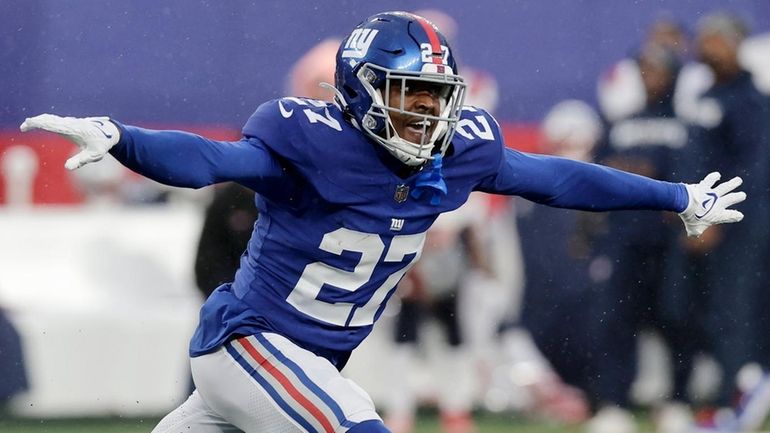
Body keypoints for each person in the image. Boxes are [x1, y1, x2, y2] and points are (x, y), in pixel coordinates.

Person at [20, 11, 745, 433]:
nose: (427, 113)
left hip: (287, 367)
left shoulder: (459, 151)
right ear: (358, 91)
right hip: (251, 346)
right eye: (409, 95)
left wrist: (676, 197)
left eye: (437, 97)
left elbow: (556, 178)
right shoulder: (308, 141)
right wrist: (125, 138)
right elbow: (210, 160)